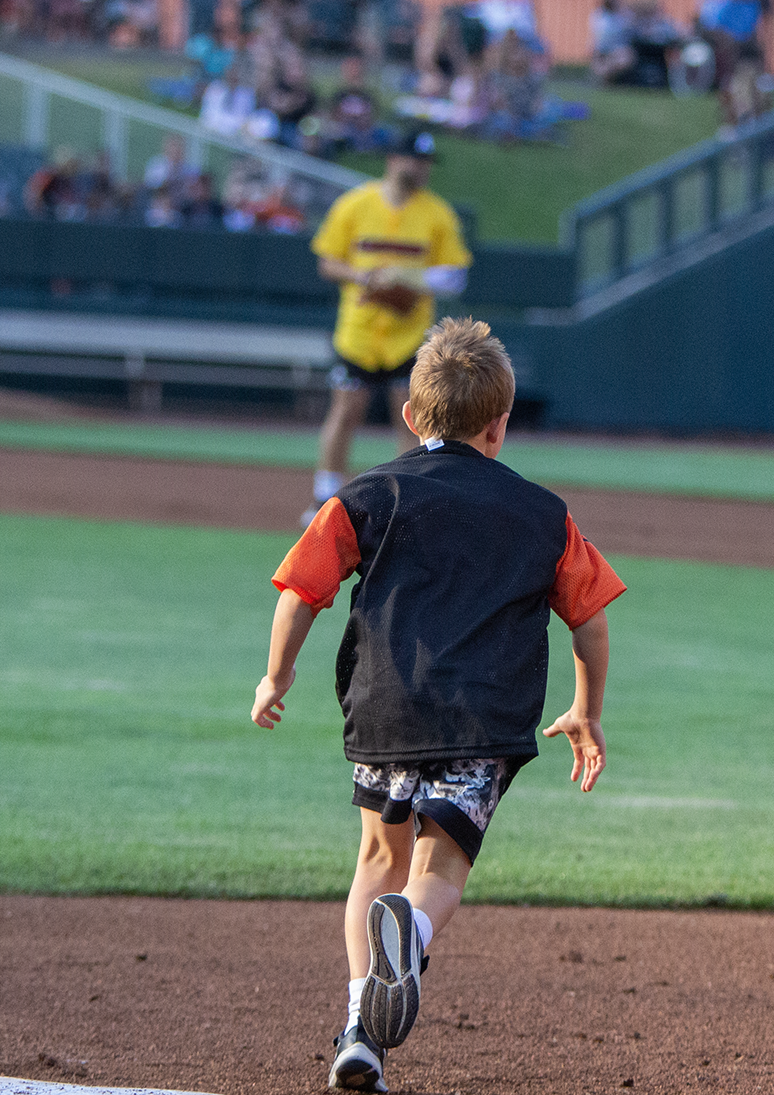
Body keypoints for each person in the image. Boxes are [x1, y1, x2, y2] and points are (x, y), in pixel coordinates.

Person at [253, 316, 622, 1095]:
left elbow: (300, 592)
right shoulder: (541, 511)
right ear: (500, 425)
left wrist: (275, 677)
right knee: (438, 872)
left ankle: (361, 1031)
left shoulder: (370, 492)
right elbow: (589, 620)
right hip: (480, 723)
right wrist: (586, 709)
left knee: (376, 861)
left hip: (384, 711)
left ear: (411, 417)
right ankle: (411, 931)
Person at [304, 131, 472, 523]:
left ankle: (406, 499)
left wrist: (410, 279)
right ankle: (324, 497)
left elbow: (456, 275)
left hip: (409, 335)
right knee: (346, 411)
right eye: (415, 159)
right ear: (394, 159)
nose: (421, 168)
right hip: (359, 333)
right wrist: (364, 277)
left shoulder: (437, 213)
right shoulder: (356, 204)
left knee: (410, 416)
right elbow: (327, 261)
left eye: (426, 162)